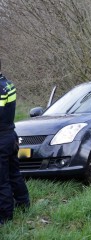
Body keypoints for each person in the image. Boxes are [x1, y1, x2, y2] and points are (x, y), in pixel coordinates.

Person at [0, 71, 30, 226]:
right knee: (14, 173)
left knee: (1, 179)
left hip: (2, 137)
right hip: (11, 134)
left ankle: (5, 216)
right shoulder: (8, 84)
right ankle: (24, 204)